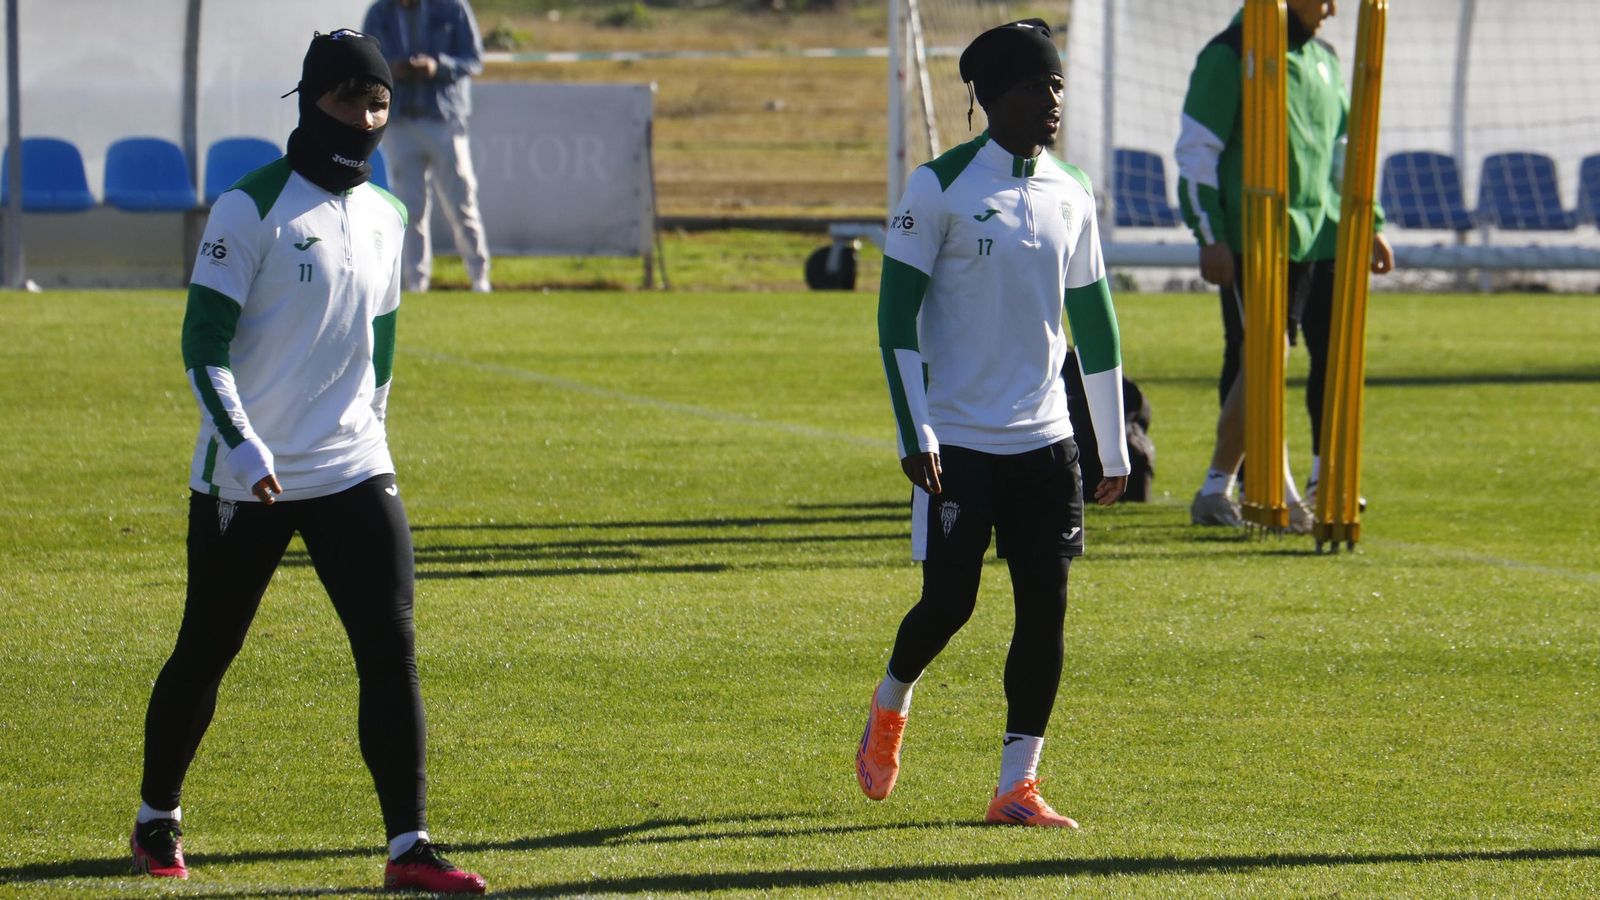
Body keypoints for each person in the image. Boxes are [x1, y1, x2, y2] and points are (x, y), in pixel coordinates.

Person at [129, 30, 485, 894]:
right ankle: (156, 819)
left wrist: (377, 425)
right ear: (309, 101)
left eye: (377, 105)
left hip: (354, 466)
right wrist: (244, 445)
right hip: (246, 477)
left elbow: (382, 338)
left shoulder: (388, 214)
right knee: (207, 650)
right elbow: (202, 342)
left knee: (390, 649)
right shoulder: (247, 208)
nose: (363, 118)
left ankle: (409, 847)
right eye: (346, 101)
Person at [855, 19, 1130, 828]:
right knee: (950, 605)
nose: (1053, 100)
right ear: (991, 96)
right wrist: (917, 433)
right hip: (958, 445)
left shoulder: (1073, 190)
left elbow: (1099, 327)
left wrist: (1107, 445)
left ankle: (1017, 786)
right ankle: (890, 702)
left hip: (1048, 446)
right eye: (1035, 86)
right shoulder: (936, 188)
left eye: (1057, 85)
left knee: (1045, 612)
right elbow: (895, 320)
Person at [1175, 0, 1393, 530]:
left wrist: (1371, 222)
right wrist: (1210, 235)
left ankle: (1313, 482)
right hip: (1257, 237)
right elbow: (1197, 151)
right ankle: (1228, 488)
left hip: (1321, 236)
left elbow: (1343, 151)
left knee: (1316, 354)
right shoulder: (1229, 55)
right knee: (1266, 360)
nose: (1334, 9)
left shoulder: (1324, 57)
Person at [362, 0, 491, 293]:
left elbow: (474, 59)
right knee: (409, 208)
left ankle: (479, 277)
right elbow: (365, 62)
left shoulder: (452, 8)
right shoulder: (379, 12)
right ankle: (416, 281)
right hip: (399, 121)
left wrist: (438, 66)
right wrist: (391, 68)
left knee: (461, 202)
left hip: (443, 119)